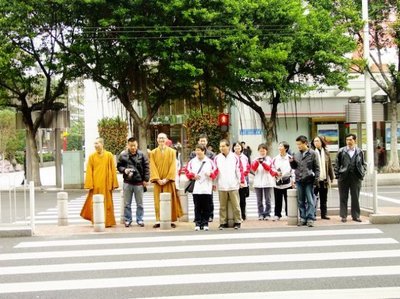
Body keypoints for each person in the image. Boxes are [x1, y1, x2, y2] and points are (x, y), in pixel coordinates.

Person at [80, 137, 119, 227]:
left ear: (102, 144)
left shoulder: (109, 155)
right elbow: (89, 171)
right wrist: (89, 184)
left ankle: (108, 221)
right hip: (96, 184)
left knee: (108, 203)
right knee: (94, 203)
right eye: (95, 143)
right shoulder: (92, 157)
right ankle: (96, 220)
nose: (95, 145)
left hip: (106, 184)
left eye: (97, 143)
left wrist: (114, 183)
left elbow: (113, 169)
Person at [149, 133, 183, 228]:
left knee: (170, 200)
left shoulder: (172, 152)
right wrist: (157, 179)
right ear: (157, 140)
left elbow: (173, 166)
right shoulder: (153, 152)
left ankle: (170, 219)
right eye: (159, 138)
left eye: (163, 138)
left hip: (168, 181)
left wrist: (167, 179)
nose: (161, 140)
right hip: (158, 182)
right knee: (157, 201)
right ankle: (159, 220)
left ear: (166, 140)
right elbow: (152, 166)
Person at [117, 137, 150, 227]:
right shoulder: (123, 155)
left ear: (137, 145)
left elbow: (146, 167)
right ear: (128, 145)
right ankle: (128, 219)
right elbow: (119, 166)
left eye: (134, 145)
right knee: (127, 203)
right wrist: (125, 170)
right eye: (131, 145)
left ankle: (140, 219)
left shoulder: (142, 155)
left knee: (140, 204)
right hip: (127, 182)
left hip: (139, 183)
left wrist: (146, 180)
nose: (133, 147)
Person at [334, 133, 367, 223]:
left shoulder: (359, 151)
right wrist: (338, 175)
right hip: (343, 177)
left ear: (355, 141)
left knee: (355, 197)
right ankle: (343, 216)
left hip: (356, 177)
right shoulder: (341, 151)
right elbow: (337, 164)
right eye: (347, 140)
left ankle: (356, 216)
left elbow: (363, 163)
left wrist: (363, 172)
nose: (348, 141)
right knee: (343, 197)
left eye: (350, 139)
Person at [213, 139, 244, 230]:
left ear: (228, 147)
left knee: (236, 205)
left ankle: (238, 221)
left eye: (223, 146)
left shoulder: (235, 157)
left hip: (233, 185)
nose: (221, 148)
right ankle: (223, 222)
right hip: (222, 185)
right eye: (220, 146)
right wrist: (214, 184)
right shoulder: (217, 158)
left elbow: (239, 170)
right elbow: (215, 172)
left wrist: (241, 181)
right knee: (222, 206)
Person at [289, 135, 320, 227]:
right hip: (299, 179)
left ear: (305, 143)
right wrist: (292, 163)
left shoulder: (313, 153)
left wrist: (316, 179)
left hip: (309, 180)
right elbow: (295, 167)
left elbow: (317, 168)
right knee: (300, 200)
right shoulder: (296, 154)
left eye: (300, 144)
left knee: (310, 200)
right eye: (297, 144)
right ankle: (303, 218)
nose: (298, 146)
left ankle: (310, 218)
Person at [185, 144, 216, 231]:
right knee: (197, 206)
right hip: (196, 188)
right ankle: (198, 223)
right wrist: (193, 175)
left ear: (204, 151)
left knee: (206, 206)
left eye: (199, 150)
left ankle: (205, 223)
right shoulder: (192, 162)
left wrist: (210, 174)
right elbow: (187, 171)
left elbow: (216, 171)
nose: (198, 152)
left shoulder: (209, 161)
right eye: (196, 150)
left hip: (207, 187)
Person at [189, 133, 216, 221]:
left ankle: (209, 215)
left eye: (204, 141)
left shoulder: (211, 154)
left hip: (207, 180)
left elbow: (214, 168)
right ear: (198, 141)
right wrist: (192, 176)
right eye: (201, 141)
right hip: (196, 180)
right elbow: (190, 167)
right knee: (197, 200)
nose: (203, 142)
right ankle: (198, 217)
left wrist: (211, 176)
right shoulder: (193, 153)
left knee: (209, 199)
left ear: (207, 142)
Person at [310, 136, 334, 220]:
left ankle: (324, 214)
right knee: (313, 198)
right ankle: (313, 214)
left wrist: (331, 177)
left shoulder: (326, 152)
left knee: (324, 198)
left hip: (324, 179)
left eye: (318, 141)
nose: (316, 143)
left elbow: (330, 165)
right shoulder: (312, 152)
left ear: (321, 142)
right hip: (315, 179)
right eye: (314, 141)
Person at [251, 143, 276, 220]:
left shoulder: (269, 159)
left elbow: (269, 168)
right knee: (259, 200)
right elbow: (253, 169)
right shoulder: (255, 159)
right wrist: (257, 162)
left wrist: (263, 163)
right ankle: (260, 214)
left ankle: (267, 213)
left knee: (268, 200)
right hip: (258, 182)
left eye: (264, 151)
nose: (262, 152)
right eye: (261, 151)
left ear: (266, 151)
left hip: (267, 182)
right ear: (258, 151)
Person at [272, 141, 294, 221]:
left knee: (288, 199)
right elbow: (272, 167)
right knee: (277, 200)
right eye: (279, 146)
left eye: (281, 146)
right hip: (277, 182)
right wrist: (276, 173)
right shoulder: (275, 158)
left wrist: (293, 180)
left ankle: (289, 214)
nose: (279, 148)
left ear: (286, 148)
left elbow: (293, 170)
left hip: (287, 182)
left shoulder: (290, 158)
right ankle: (277, 214)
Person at [232, 141, 251, 220]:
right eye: (235, 146)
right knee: (235, 200)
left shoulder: (245, 157)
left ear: (241, 147)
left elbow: (248, 167)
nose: (237, 147)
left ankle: (243, 214)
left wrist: (244, 174)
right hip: (234, 181)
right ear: (233, 148)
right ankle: (236, 215)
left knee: (242, 199)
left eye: (238, 146)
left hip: (243, 181)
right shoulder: (231, 157)